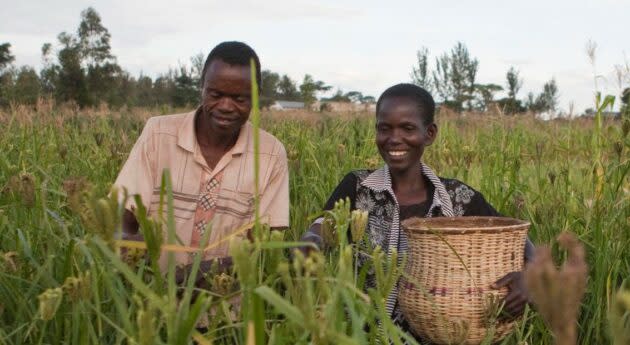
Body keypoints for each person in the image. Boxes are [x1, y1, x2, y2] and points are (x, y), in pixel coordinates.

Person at [300, 83, 534, 339]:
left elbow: (515, 237)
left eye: (408, 128)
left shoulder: (457, 198)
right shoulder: (358, 186)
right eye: (384, 128)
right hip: (362, 334)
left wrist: (529, 277)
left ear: (429, 133)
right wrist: (310, 242)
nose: (394, 138)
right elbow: (325, 224)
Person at [114, 41, 289, 271]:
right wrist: (128, 246)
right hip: (153, 296)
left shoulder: (270, 154)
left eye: (239, 99)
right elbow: (122, 220)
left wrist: (195, 275)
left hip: (227, 301)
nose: (226, 106)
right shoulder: (158, 135)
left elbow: (264, 244)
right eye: (216, 94)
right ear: (202, 87)